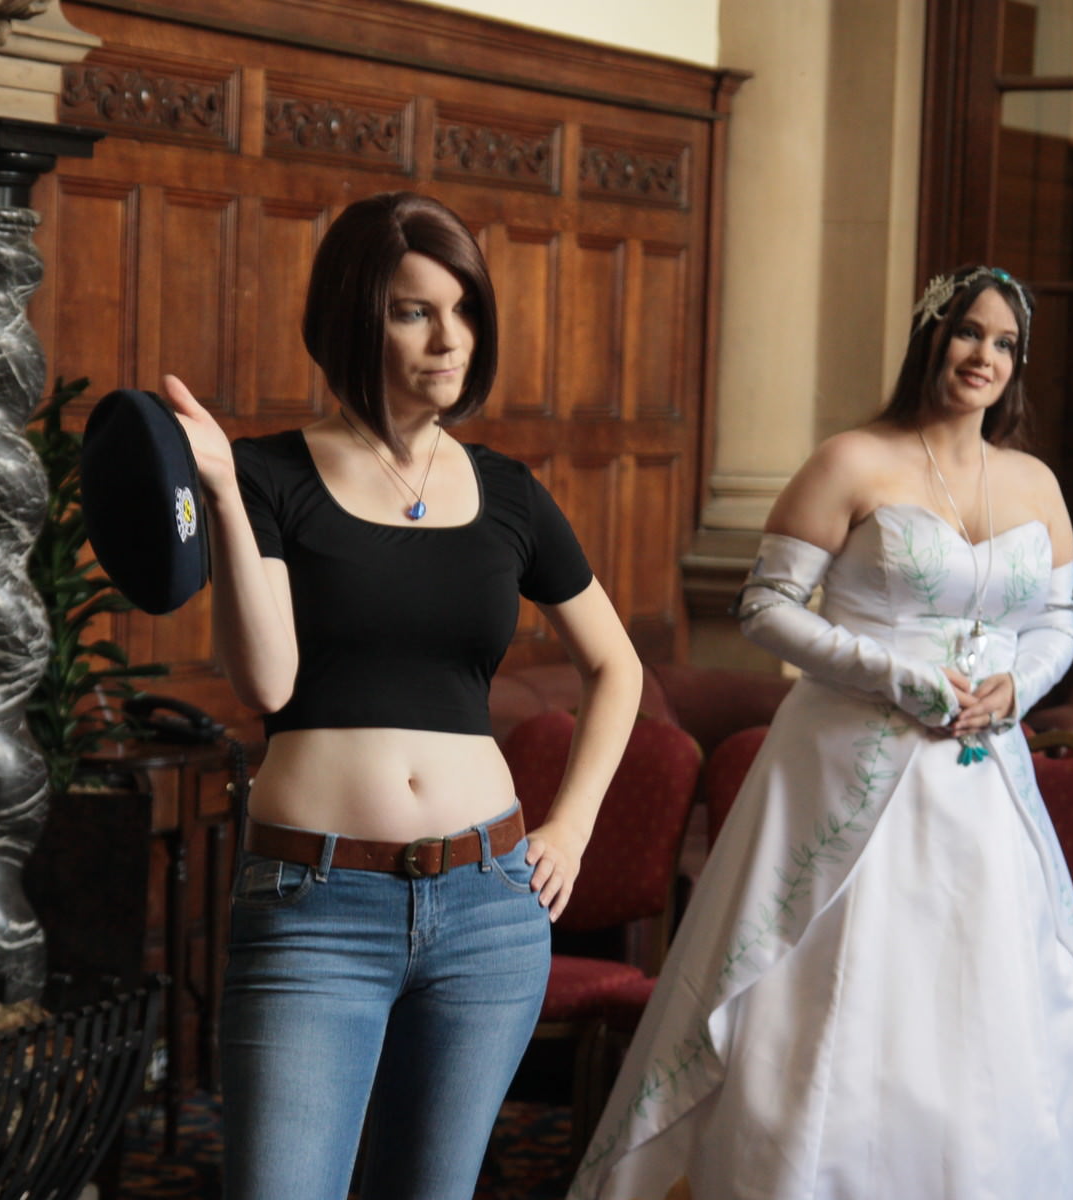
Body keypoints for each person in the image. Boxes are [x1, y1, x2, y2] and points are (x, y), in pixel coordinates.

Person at [571, 266, 1073, 1199]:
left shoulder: (1034, 481)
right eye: (968, 332)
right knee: (839, 988)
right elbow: (765, 607)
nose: (984, 356)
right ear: (930, 336)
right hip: (849, 766)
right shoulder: (851, 460)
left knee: (988, 994)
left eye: (1004, 343)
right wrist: (896, 675)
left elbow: (1058, 621)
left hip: (983, 775)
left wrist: (1017, 687)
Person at [164, 190, 643, 1200]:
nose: (448, 338)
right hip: (315, 905)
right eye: (413, 311)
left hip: (488, 907)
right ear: (355, 318)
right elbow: (268, 681)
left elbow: (617, 667)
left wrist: (571, 830)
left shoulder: (509, 493)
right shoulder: (266, 475)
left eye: (463, 310)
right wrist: (223, 498)